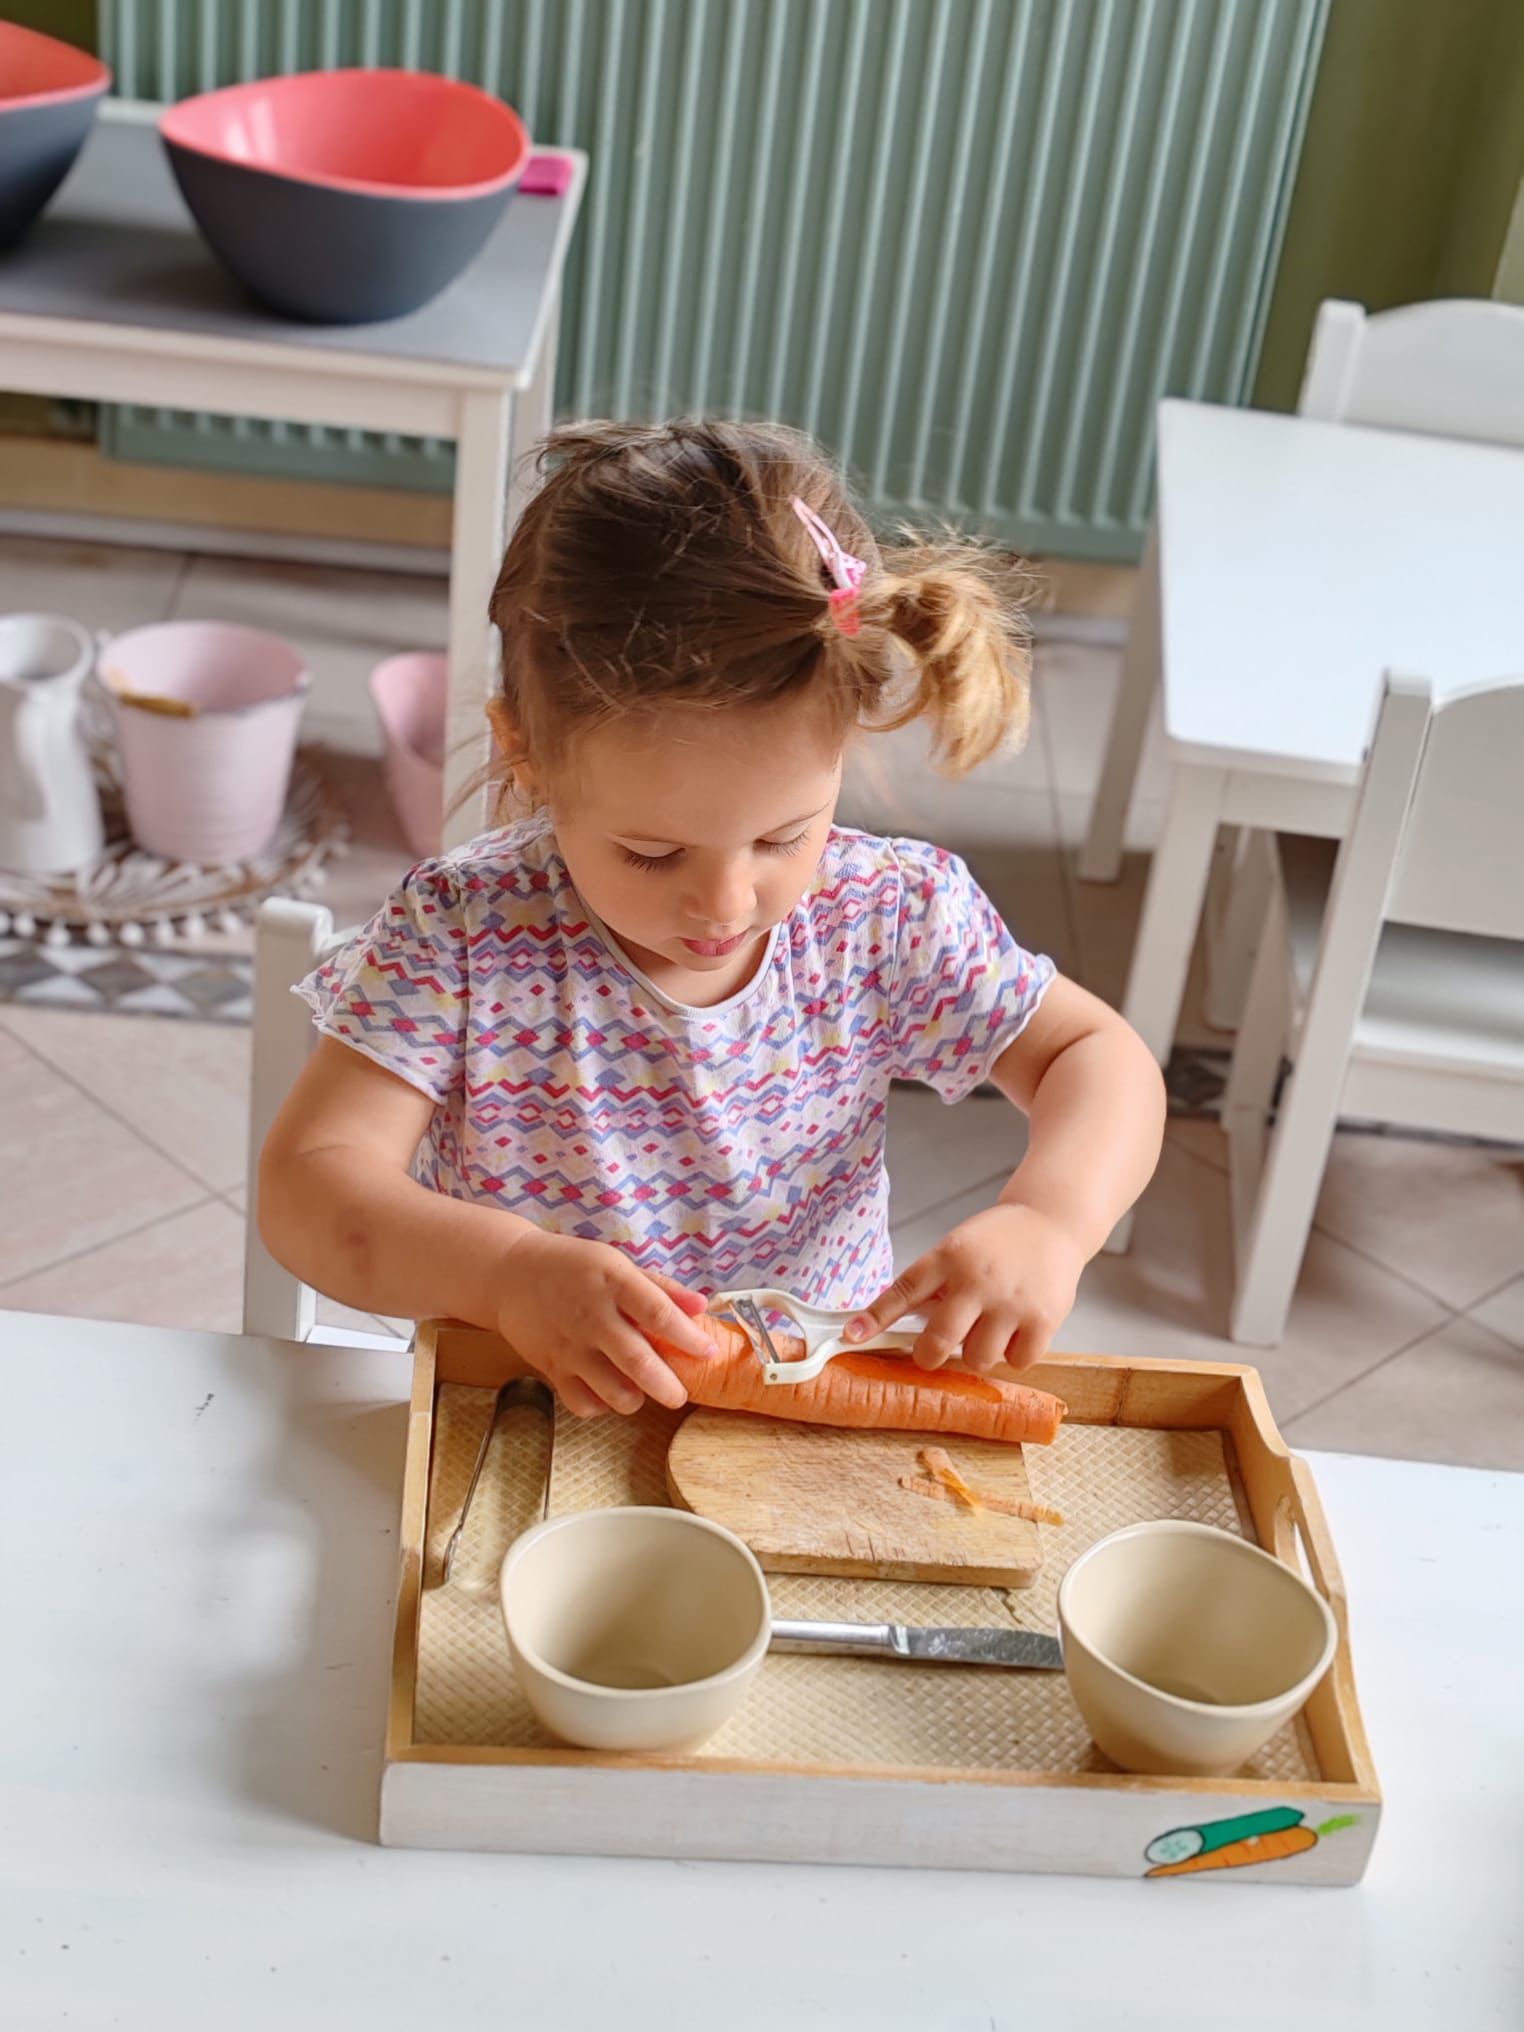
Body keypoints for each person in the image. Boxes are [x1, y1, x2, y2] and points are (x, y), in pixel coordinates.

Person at [259, 420, 1164, 1418]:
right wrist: (505, 1271)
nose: (725, 904)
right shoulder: (462, 935)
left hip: (804, 1406)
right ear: (526, 753)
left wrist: (1052, 1218)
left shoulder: (888, 916)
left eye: (783, 837)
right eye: (653, 853)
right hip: (532, 1397)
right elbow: (311, 1187)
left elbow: (1095, 1053)